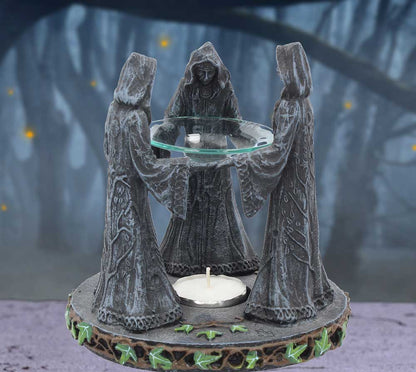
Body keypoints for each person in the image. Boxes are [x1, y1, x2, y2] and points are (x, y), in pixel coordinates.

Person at [233, 43, 334, 324]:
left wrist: (244, 159)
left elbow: (279, 151)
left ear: (290, 70)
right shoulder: (303, 103)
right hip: (303, 182)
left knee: (287, 234)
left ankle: (286, 301)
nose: (278, 71)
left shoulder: (290, 107)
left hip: (289, 183)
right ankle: (310, 291)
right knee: (301, 231)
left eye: (281, 67)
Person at [93, 53, 190, 331]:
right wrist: (180, 166)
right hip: (131, 191)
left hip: (115, 189)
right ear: (143, 83)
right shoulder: (135, 117)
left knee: (119, 242)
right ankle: (139, 309)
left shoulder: (114, 109)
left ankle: (113, 303)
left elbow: (109, 150)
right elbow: (145, 164)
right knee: (136, 242)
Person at [157, 42, 259, 277]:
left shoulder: (225, 90)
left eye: (209, 72)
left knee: (221, 208)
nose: (204, 76)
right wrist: (166, 131)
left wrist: (251, 139)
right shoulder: (186, 89)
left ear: (217, 72)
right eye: (200, 72)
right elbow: (174, 117)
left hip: (218, 156)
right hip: (193, 155)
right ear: (193, 72)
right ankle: (182, 260)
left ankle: (229, 260)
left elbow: (234, 123)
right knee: (190, 206)